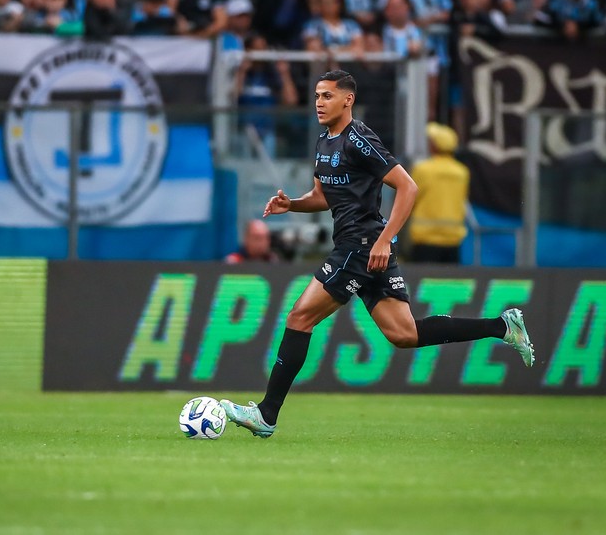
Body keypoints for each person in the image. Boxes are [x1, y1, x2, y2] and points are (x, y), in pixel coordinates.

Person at [218, 70, 534, 438]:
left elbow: (408, 186)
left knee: (299, 317)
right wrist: (293, 205)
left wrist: (385, 239)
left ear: (347, 100)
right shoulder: (324, 141)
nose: (319, 102)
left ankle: (266, 414)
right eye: (317, 96)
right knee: (404, 334)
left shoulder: (359, 139)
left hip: (361, 246)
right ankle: (502, 327)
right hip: (364, 249)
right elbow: (323, 196)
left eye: (327, 96)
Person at [409, 122, 469, 263]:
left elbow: (410, 199)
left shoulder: (423, 169)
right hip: (453, 240)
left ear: (434, 145)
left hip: (425, 239)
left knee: (422, 282)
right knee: (449, 283)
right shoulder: (462, 172)